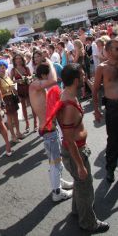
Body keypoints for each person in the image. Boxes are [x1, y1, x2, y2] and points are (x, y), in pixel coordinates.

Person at [56, 63, 109, 232]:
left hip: (75, 149)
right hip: (75, 151)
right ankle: (88, 222)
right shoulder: (69, 105)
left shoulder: (69, 95)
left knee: (80, 184)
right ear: (76, 80)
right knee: (86, 187)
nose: (85, 76)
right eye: (83, 74)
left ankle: (77, 210)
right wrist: (80, 166)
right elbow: (69, 140)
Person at [29, 53, 73, 202]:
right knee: (55, 162)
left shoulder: (39, 87)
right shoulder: (35, 85)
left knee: (55, 160)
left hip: (51, 130)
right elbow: (53, 80)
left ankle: (59, 182)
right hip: (48, 131)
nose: (52, 77)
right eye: (48, 74)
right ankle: (57, 192)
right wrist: (49, 62)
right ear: (43, 75)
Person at [93, 39, 118, 183]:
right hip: (112, 107)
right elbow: (95, 90)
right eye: (116, 49)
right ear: (108, 51)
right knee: (113, 140)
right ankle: (110, 169)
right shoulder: (102, 68)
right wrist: (96, 110)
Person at [0, 60, 24, 145]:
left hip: (12, 97)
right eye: (0, 67)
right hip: (6, 99)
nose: (2, 68)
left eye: (3, 66)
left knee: (15, 116)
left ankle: (18, 133)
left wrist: (17, 91)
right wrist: (9, 89)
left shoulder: (7, 75)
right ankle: (13, 136)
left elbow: (11, 84)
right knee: (10, 118)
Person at [10, 53, 37, 132]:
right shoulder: (13, 70)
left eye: (19, 59)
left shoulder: (26, 68)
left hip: (29, 88)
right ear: (14, 61)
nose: (18, 60)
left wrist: (27, 78)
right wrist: (17, 80)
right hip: (20, 90)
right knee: (24, 107)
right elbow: (10, 81)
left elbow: (31, 77)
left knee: (33, 106)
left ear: (22, 60)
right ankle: (27, 124)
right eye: (16, 59)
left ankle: (35, 124)